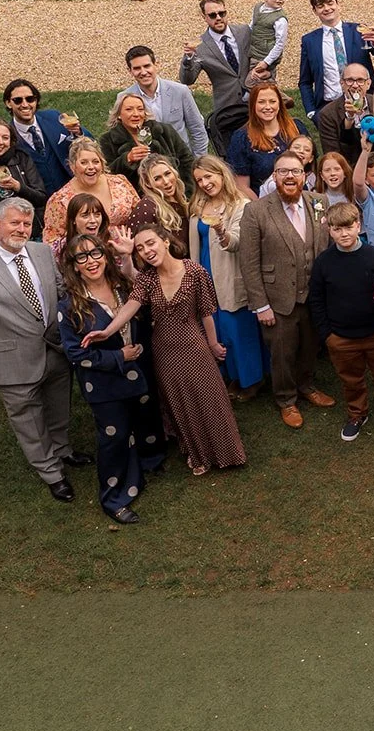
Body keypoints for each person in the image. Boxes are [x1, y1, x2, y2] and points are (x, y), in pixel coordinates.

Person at [0, 197, 87, 501]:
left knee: (60, 407)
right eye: (14, 223)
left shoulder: (42, 252)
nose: (22, 229)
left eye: (26, 224)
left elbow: (60, 291)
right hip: (14, 361)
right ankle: (51, 472)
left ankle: (62, 450)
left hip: (55, 351)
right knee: (29, 420)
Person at [84, 225, 247, 475]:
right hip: (163, 351)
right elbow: (130, 306)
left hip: (194, 346)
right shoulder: (147, 279)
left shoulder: (194, 271)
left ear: (165, 241)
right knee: (181, 402)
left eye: (150, 243)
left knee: (209, 398)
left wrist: (213, 345)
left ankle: (226, 451)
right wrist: (108, 331)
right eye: (140, 248)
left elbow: (206, 313)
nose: (147, 251)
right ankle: (197, 452)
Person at [56, 234, 167, 522]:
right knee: (114, 437)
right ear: (74, 266)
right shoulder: (70, 305)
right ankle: (114, 498)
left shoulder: (125, 287)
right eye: (82, 257)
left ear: (106, 256)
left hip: (139, 372)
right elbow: (75, 354)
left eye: (95, 253)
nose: (91, 261)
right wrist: (119, 357)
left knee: (144, 418)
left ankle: (149, 462)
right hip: (104, 384)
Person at [239, 152, 337, 427]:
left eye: (295, 171)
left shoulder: (319, 202)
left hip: (312, 294)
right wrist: (260, 305)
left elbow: (326, 248)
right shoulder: (256, 210)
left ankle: (307, 386)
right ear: (274, 176)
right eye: (283, 172)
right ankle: (286, 399)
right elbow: (248, 262)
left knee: (310, 346)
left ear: (305, 175)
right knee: (282, 352)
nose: (290, 176)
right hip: (277, 297)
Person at [308, 201, 374, 442]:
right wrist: (327, 335)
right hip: (341, 337)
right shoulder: (323, 262)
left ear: (358, 226)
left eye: (349, 227)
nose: (344, 234)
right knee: (351, 379)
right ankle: (357, 413)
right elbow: (317, 300)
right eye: (338, 229)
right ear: (329, 230)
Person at [188, 155, 267, 399]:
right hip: (207, 274)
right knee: (218, 328)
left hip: (230, 274)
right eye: (199, 180)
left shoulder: (239, 205)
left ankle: (252, 379)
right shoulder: (197, 207)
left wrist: (222, 231)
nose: (204, 183)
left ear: (221, 174)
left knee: (238, 329)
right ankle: (232, 375)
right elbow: (194, 245)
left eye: (208, 176)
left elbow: (236, 242)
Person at [179, 0, 267, 152]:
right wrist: (188, 58)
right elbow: (187, 79)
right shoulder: (200, 46)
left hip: (257, 101)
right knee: (237, 154)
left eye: (222, 13)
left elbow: (265, 53)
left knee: (266, 147)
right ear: (204, 17)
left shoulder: (245, 32)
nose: (218, 18)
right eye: (212, 15)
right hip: (228, 109)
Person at [298, 0, 374, 117]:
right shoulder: (309, 41)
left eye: (330, 3)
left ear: (338, 5)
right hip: (330, 106)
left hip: (365, 102)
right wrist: (311, 112)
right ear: (315, 11)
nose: (327, 8)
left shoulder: (358, 30)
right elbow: (305, 81)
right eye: (321, 6)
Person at [41, 138, 140, 252]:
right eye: (84, 162)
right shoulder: (59, 200)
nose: (91, 167)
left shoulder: (120, 182)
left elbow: (139, 214)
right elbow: (52, 243)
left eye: (95, 161)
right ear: (72, 166)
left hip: (131, 250)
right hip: (90, 259)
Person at [2, 78, 87, 198]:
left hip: (74, 194)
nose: (25, 104)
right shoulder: (7, 137)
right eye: (18, 100)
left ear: (36, 100)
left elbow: (90, 142)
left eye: (30, 99)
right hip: (38, 202)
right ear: (8, 103)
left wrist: (78, 133)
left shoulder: (54, 118)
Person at [122, 45, 208, 159]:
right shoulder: (124, 98)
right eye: (137, 68)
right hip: (147, 165)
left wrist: (198, 163)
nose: (143, 72)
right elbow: (121, 136)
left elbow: (198, 129)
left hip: (182, 160)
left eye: (147, 66)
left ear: (156, 65)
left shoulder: (180, 91)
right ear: (130, 71)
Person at [226, 81, 310, 194]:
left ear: (279, 104)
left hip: (301, 196)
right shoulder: (241, 138)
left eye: (272, 101)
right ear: (253, 105)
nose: (268, 107)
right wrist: (262, 208)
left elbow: (312, 167)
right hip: (263, 201)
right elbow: (242, 186)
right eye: (261, 102)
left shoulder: (297, 128)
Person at [102, 93, 194, 191]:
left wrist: (187, 192)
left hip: (174, 192)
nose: (136, 114)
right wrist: (127, 159)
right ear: (119, 115)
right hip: (138, 199)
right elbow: (107, 175)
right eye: (129, 109)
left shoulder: (164, 131)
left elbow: (187, 161)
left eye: (140, 109)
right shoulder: (108, 140)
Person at [319, 63, 374, 165]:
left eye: (360, 80)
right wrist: (349, 117)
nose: (355, 85)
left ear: (368, 84)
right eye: (349, 80)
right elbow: (332, 154)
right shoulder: (328, 114)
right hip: (350, 168)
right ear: (342, 83)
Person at [129, 153, 191, 258]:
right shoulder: (146, 209)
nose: (166, 181)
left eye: (167, 173)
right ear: (148, 183)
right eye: (157, 178)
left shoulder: (181, 200)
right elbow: (139, 254)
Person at [247, 0, 290, 78]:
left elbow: (280, 43)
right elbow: (253, 24)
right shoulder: (258, 7)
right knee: (256, 86)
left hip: (264, 56)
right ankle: (269, 79)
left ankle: (270, 77)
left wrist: (267, 62)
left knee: (251, 82)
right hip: (253, 51)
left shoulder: (280, 19)